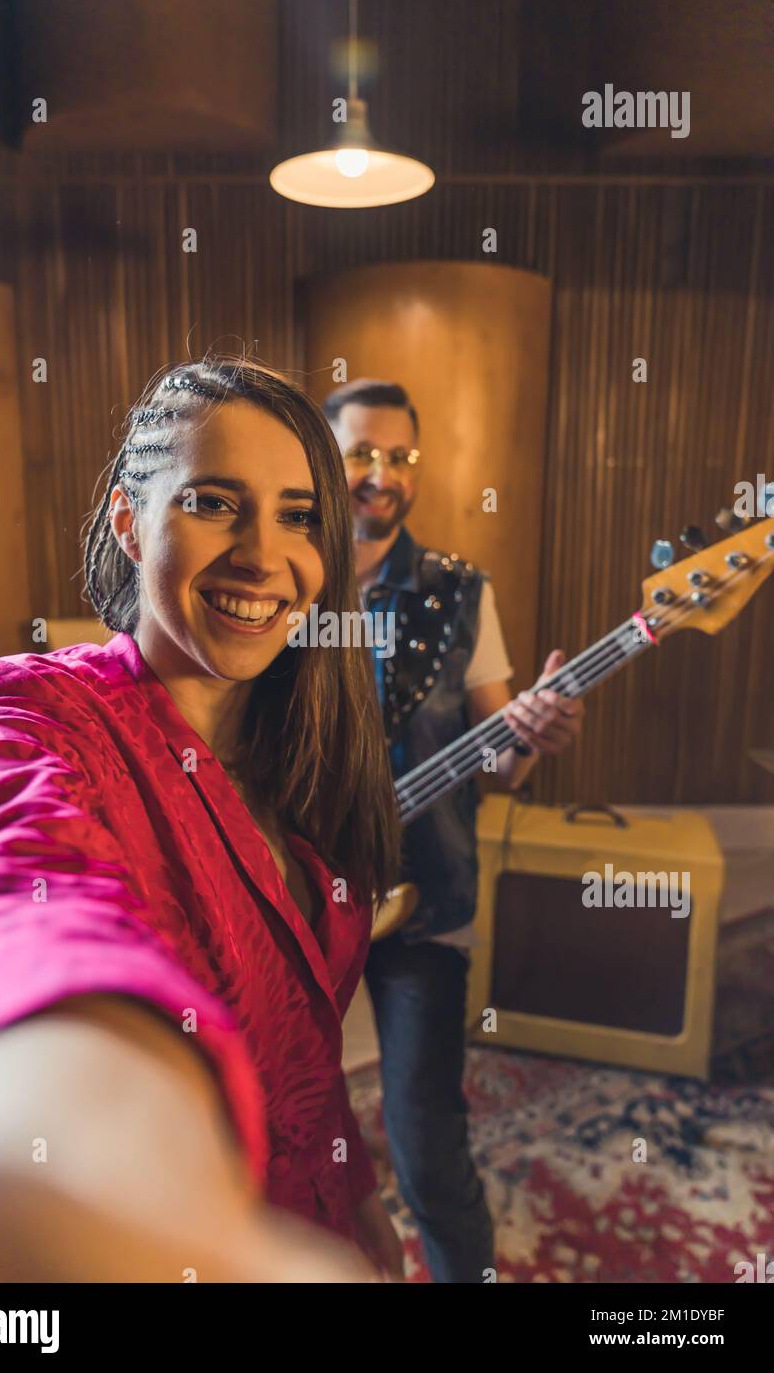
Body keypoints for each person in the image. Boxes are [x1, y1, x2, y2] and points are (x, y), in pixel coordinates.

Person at [0, 356, 403, 1281]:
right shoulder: (32, 714)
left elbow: (310, 1043)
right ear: (130, 524)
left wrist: (362, 1195)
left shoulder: (310, 752)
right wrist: (68, 1179)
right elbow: (18, 899)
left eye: (298, 517)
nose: (264, 554)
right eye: (215, 503)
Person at [324, 378, 585, 1284]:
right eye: (362, 452)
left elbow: (496, 760)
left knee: (429, 1148)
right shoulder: (282, 583)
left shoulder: (461, 593)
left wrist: (533, 740)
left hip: (423, 899)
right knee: (280, 1134)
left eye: (400, 456)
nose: (381, 474)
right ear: (326, 459)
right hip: (291, 897)